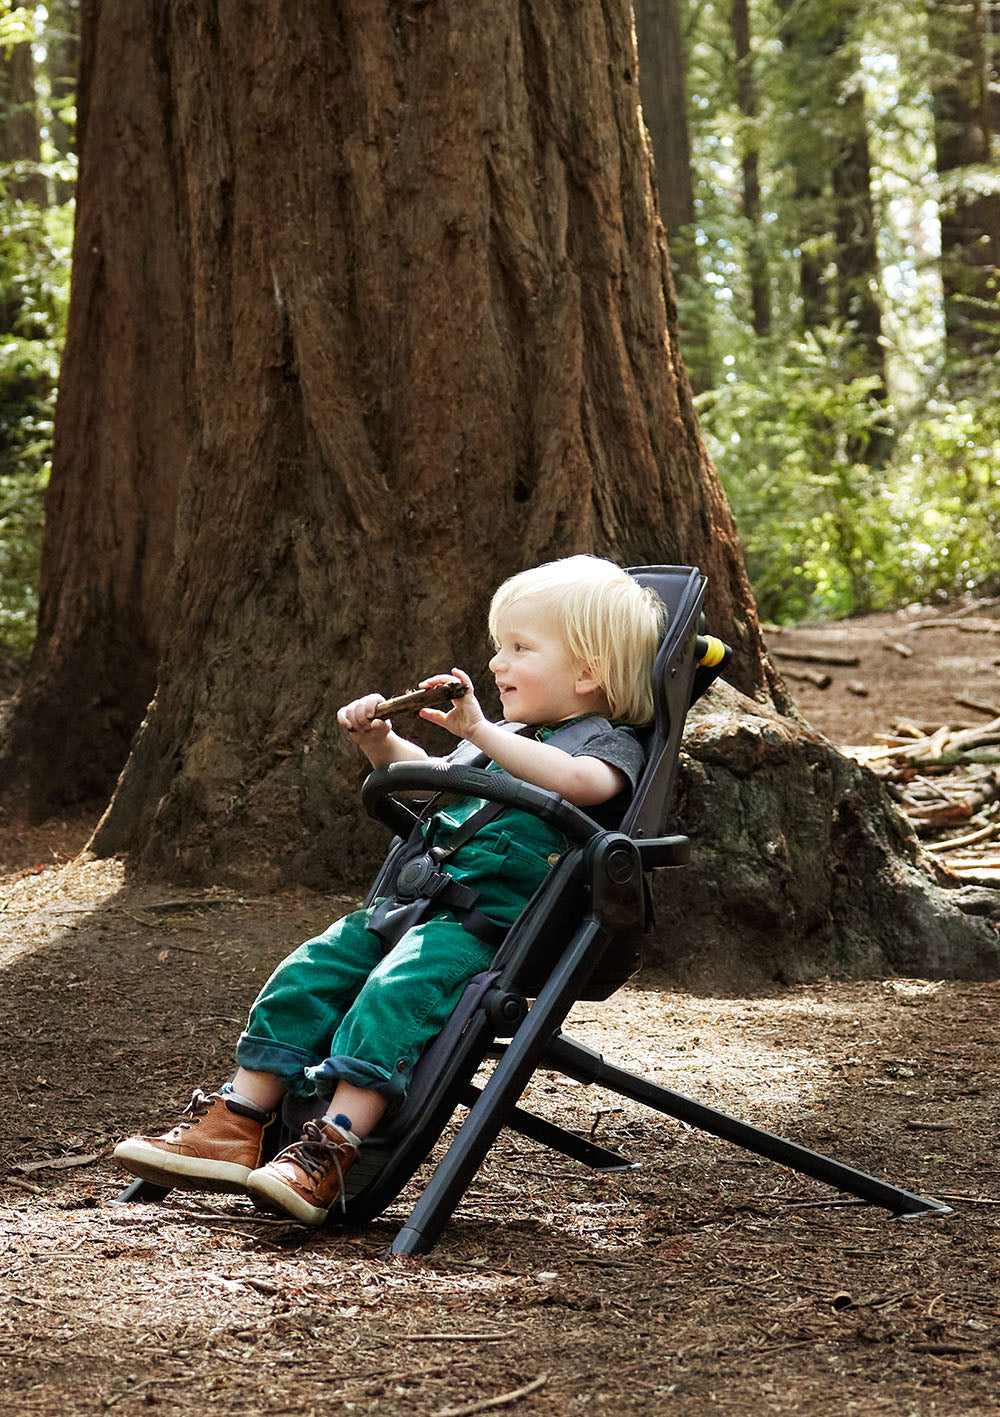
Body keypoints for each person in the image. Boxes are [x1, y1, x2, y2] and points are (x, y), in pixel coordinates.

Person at [114, 555, 666, 1225]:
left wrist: (479, 731)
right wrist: (382, 742)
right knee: (305, 973)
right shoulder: (511, 737)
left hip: (475, 933)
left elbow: (583, 786)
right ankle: (237, 1119)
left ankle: (330, 1148)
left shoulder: (606, 743)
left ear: (588, 672)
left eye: (521, 648)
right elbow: (434, 776)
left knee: (391, 997)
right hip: (406, 905)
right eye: (499, 646)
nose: (496, 663)